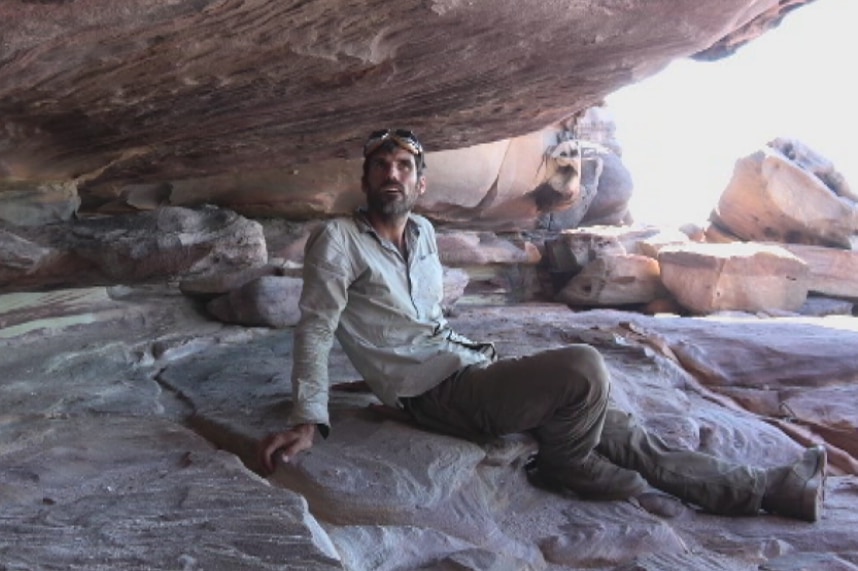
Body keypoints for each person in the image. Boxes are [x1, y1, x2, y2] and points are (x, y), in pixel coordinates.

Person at [258, 128, 826, 522]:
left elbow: (419, 323)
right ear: (365, 179)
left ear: (420, 184)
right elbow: (316, 327)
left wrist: (380, 376)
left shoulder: (425, 234)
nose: (392, 174)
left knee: (624, 429)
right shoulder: (337, 240)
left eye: (404, 167)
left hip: (467, 369)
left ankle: (770, 491)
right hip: (438, 393)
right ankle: (565, 462)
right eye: (381, 165)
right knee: (583, 367)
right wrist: (311, 418)